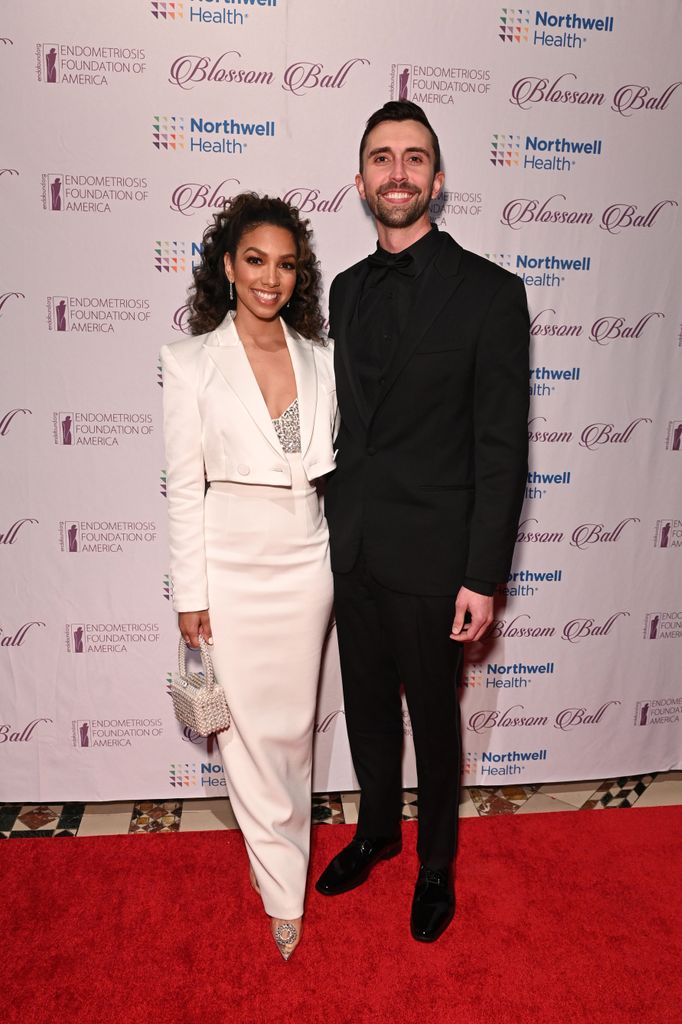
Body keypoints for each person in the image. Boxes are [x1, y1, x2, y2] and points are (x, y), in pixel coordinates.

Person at [316, 101, 530, 942]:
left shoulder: (491, 293)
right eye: (381, 158)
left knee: (435, 723)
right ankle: (376, 831)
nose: (396, 172)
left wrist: (484, 575)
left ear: (437, 181)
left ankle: (435, 862)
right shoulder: (341, 289)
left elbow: (500, 447)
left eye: (413, 158)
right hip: (354, 546)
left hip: (439, 561)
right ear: (360, 181)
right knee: (366, 709)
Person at [160, 194, 338, 960]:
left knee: (292, 732)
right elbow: (180, 486)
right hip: (231, 560)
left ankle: (286, 857)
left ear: (301, 275)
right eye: (256, 260)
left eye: (287, 264)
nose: (271, 278)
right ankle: (282, 889)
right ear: (229, 266)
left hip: (306, 559)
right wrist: (190, 595)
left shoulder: (323, 358)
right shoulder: (190, 361)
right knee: (244, 736)